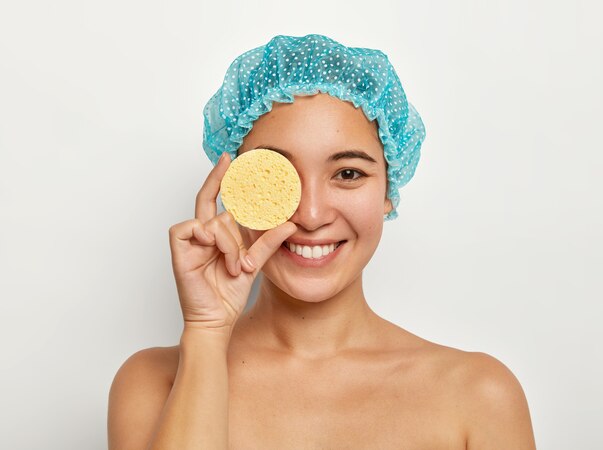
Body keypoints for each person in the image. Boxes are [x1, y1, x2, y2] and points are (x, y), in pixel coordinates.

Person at [107, 34, 536, 449]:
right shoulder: (153, 384)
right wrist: (205, 333)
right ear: (236, 189)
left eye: (348, 173)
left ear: (388, 192)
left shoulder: (480, 396)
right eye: (278, 175)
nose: (311, 216)